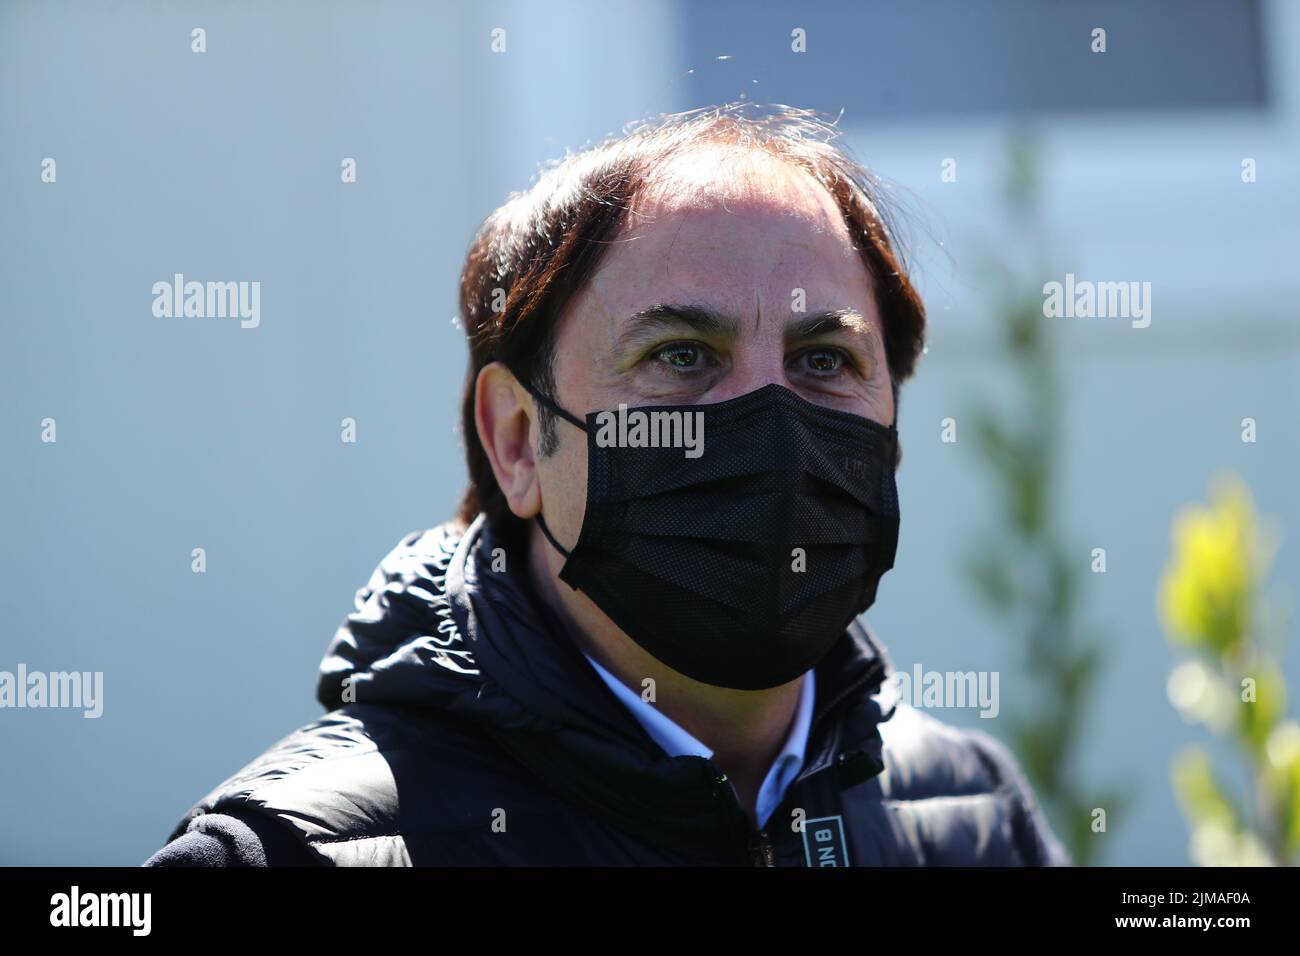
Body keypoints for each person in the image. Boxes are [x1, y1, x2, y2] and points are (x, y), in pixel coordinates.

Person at [146, 103, 1070, 867]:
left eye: (824, 360)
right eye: (681, 355)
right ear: (517, 441)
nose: (771, 425)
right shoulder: (281, 859)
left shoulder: (976, 818)